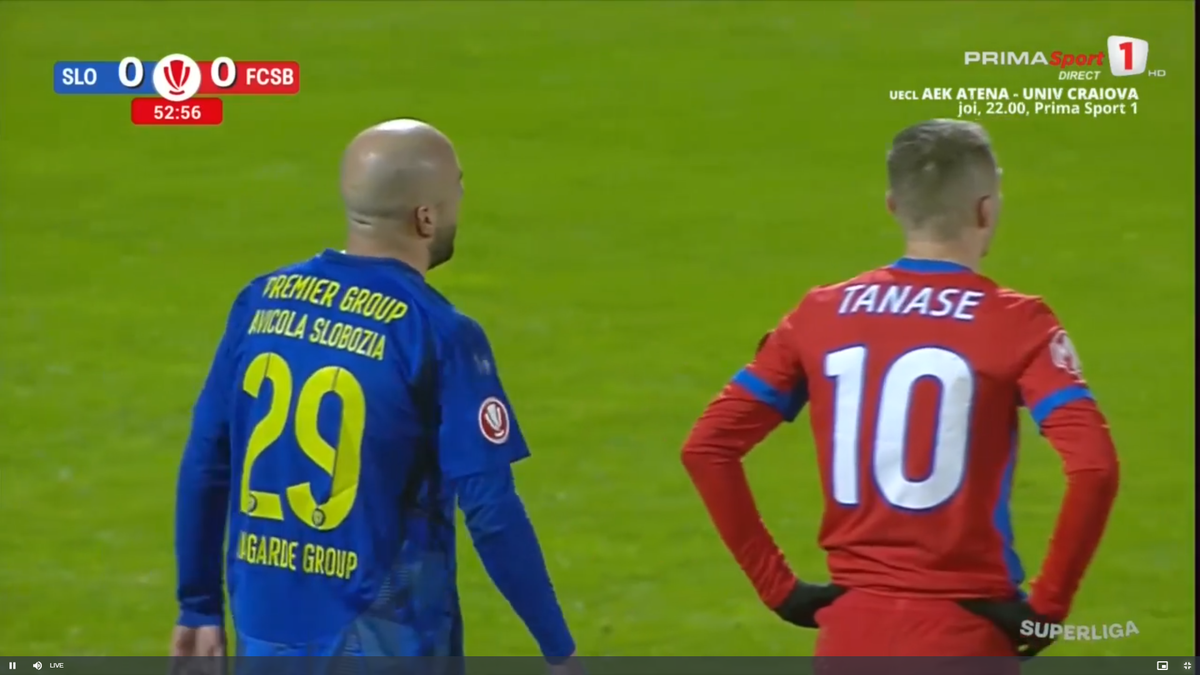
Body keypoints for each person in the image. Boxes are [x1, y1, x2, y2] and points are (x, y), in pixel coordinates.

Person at [681, 119, 1120, 658]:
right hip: (966, 636)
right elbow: (1094, 467)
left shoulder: (819, 314)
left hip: (849, 636)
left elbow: (707, 448)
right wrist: (1047, 609)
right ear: (987, 210)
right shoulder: (1018, 322)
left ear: (893, 205)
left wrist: (780, 588)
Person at [171, 119, 579, 669]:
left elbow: (207, 456)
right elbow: (491, 510)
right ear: (425, 217)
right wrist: (560, 652)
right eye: (457, 187)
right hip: (383, 642)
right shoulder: (437, 332)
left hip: (268, 637)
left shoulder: (260, 303)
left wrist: (198, 605)